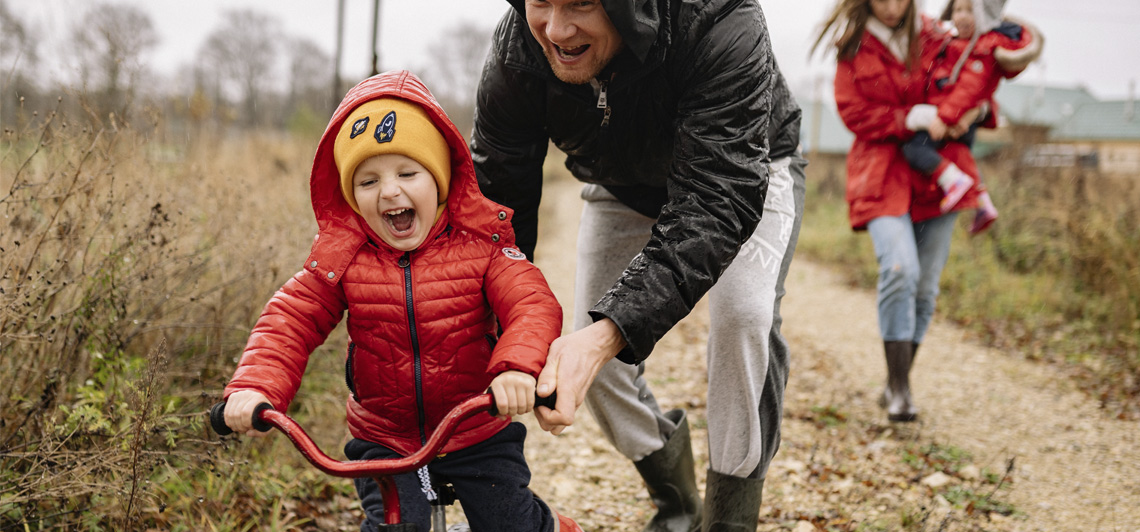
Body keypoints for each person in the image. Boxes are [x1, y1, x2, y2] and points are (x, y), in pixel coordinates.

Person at [471, 1, 806, 529]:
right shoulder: (517, 52)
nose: (556, 30)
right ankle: (676, 502)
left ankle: (730, 520)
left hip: (742, 171)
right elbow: (497, 215)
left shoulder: (722, 18)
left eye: (580, 2)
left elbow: (715, 202)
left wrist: (609, 333)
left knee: (743, 315)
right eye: (540, 2)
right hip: (621, 182)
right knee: (585, 349)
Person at [220, 70, 582, 532]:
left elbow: (533, 305)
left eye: (407, 173)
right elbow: (288, 321)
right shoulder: (343, 258)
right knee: (394, 526)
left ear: (441, 178)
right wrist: (256, 386)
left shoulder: (482, 246)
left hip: (476, 428)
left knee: (508, 522)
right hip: (384, 438)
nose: (389, 191)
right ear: (352, 197)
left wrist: (516, 367)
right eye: (367, 181)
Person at [814, 0, 987, 423]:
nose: (891, 7)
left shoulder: (937, 35)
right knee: (899, 270)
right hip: (881, 175)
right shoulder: (852, 46)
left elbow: (977, 72)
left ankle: (897, 380)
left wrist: (976, 108)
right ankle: (900, 389)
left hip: (939, 175)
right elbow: (854, 113)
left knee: (926, 287)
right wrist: (909, 117)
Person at [901, 0, 1042, 234]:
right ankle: (982, 203)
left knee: (914, 149)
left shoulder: (981, 48)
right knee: (962, 155)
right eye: (958, 10)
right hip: (957, 116)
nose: (962, 16)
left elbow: (969, 89)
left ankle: (951, 181)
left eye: (970, 10)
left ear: (985, 15)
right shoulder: (959, 42)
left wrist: (945, 118)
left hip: (951, 116)